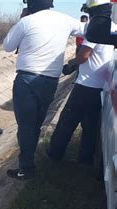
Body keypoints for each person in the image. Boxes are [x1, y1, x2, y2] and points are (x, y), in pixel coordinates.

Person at [2, 0, 85, 179]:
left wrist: (22, 19)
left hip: (27, 80)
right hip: (50, 82)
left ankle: (26, 168)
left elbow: (7, 46)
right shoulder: (65, 20)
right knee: (36, 124)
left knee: (25, 127)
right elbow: (88, 30)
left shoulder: (27, 21)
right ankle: (28, 162)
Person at [47, 12, 116, 164]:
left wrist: (71, 64)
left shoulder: (96, 29)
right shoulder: (113, 29)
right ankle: (85, 159)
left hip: (85, 85)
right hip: (101, 86)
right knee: (90, 124)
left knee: (67, 120)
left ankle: (54, 154)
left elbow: (84, 55)